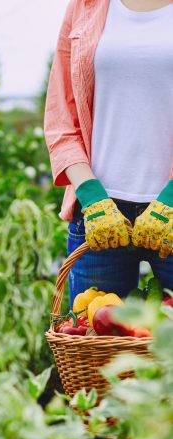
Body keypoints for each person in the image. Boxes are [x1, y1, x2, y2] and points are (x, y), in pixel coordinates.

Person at [43, 0, 173, 308]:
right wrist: (91, 196)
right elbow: (61, 115)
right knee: (96, 349)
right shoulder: (85, 6)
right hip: (99, 215)